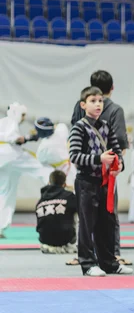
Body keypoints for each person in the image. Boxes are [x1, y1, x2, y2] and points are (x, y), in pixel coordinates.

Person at [69, 86, 133, 277]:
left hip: (105, 182)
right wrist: (99, 159)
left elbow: (116, 149)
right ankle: (88, 264)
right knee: (87, 224)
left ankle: (109, 263)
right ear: (83, 104)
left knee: (107, 223)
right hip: (86, 182)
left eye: (100, 101)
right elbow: (74, 156)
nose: (98, 104)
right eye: (93, 101)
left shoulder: (106, 125)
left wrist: (119, 164)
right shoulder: (79, 127)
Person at [0, 103, 51, 239]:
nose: (23, 118)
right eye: (22, 115)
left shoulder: (3, 122)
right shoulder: (11, 122)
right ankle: (56, 185)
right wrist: (32, 137)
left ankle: (1, 226)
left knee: (6, 191)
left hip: (3, 161)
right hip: (11, 155)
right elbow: (15, 139)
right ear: (16, 113)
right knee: (41, 168)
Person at [36, 170, 77, 254]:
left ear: (49, 182)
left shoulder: (40, 201)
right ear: (64, 184)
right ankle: (75, 243)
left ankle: (50, 244)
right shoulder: (69, 196)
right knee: (79, 211)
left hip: (44, 239)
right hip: (66, 239)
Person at [35, 118, 77, 189]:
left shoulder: (43, 147)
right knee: (75, 188)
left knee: (57, 191)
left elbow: (40, 160)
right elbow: (57, 126)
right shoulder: (62, 128)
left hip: (55, 172)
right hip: (70, 166)